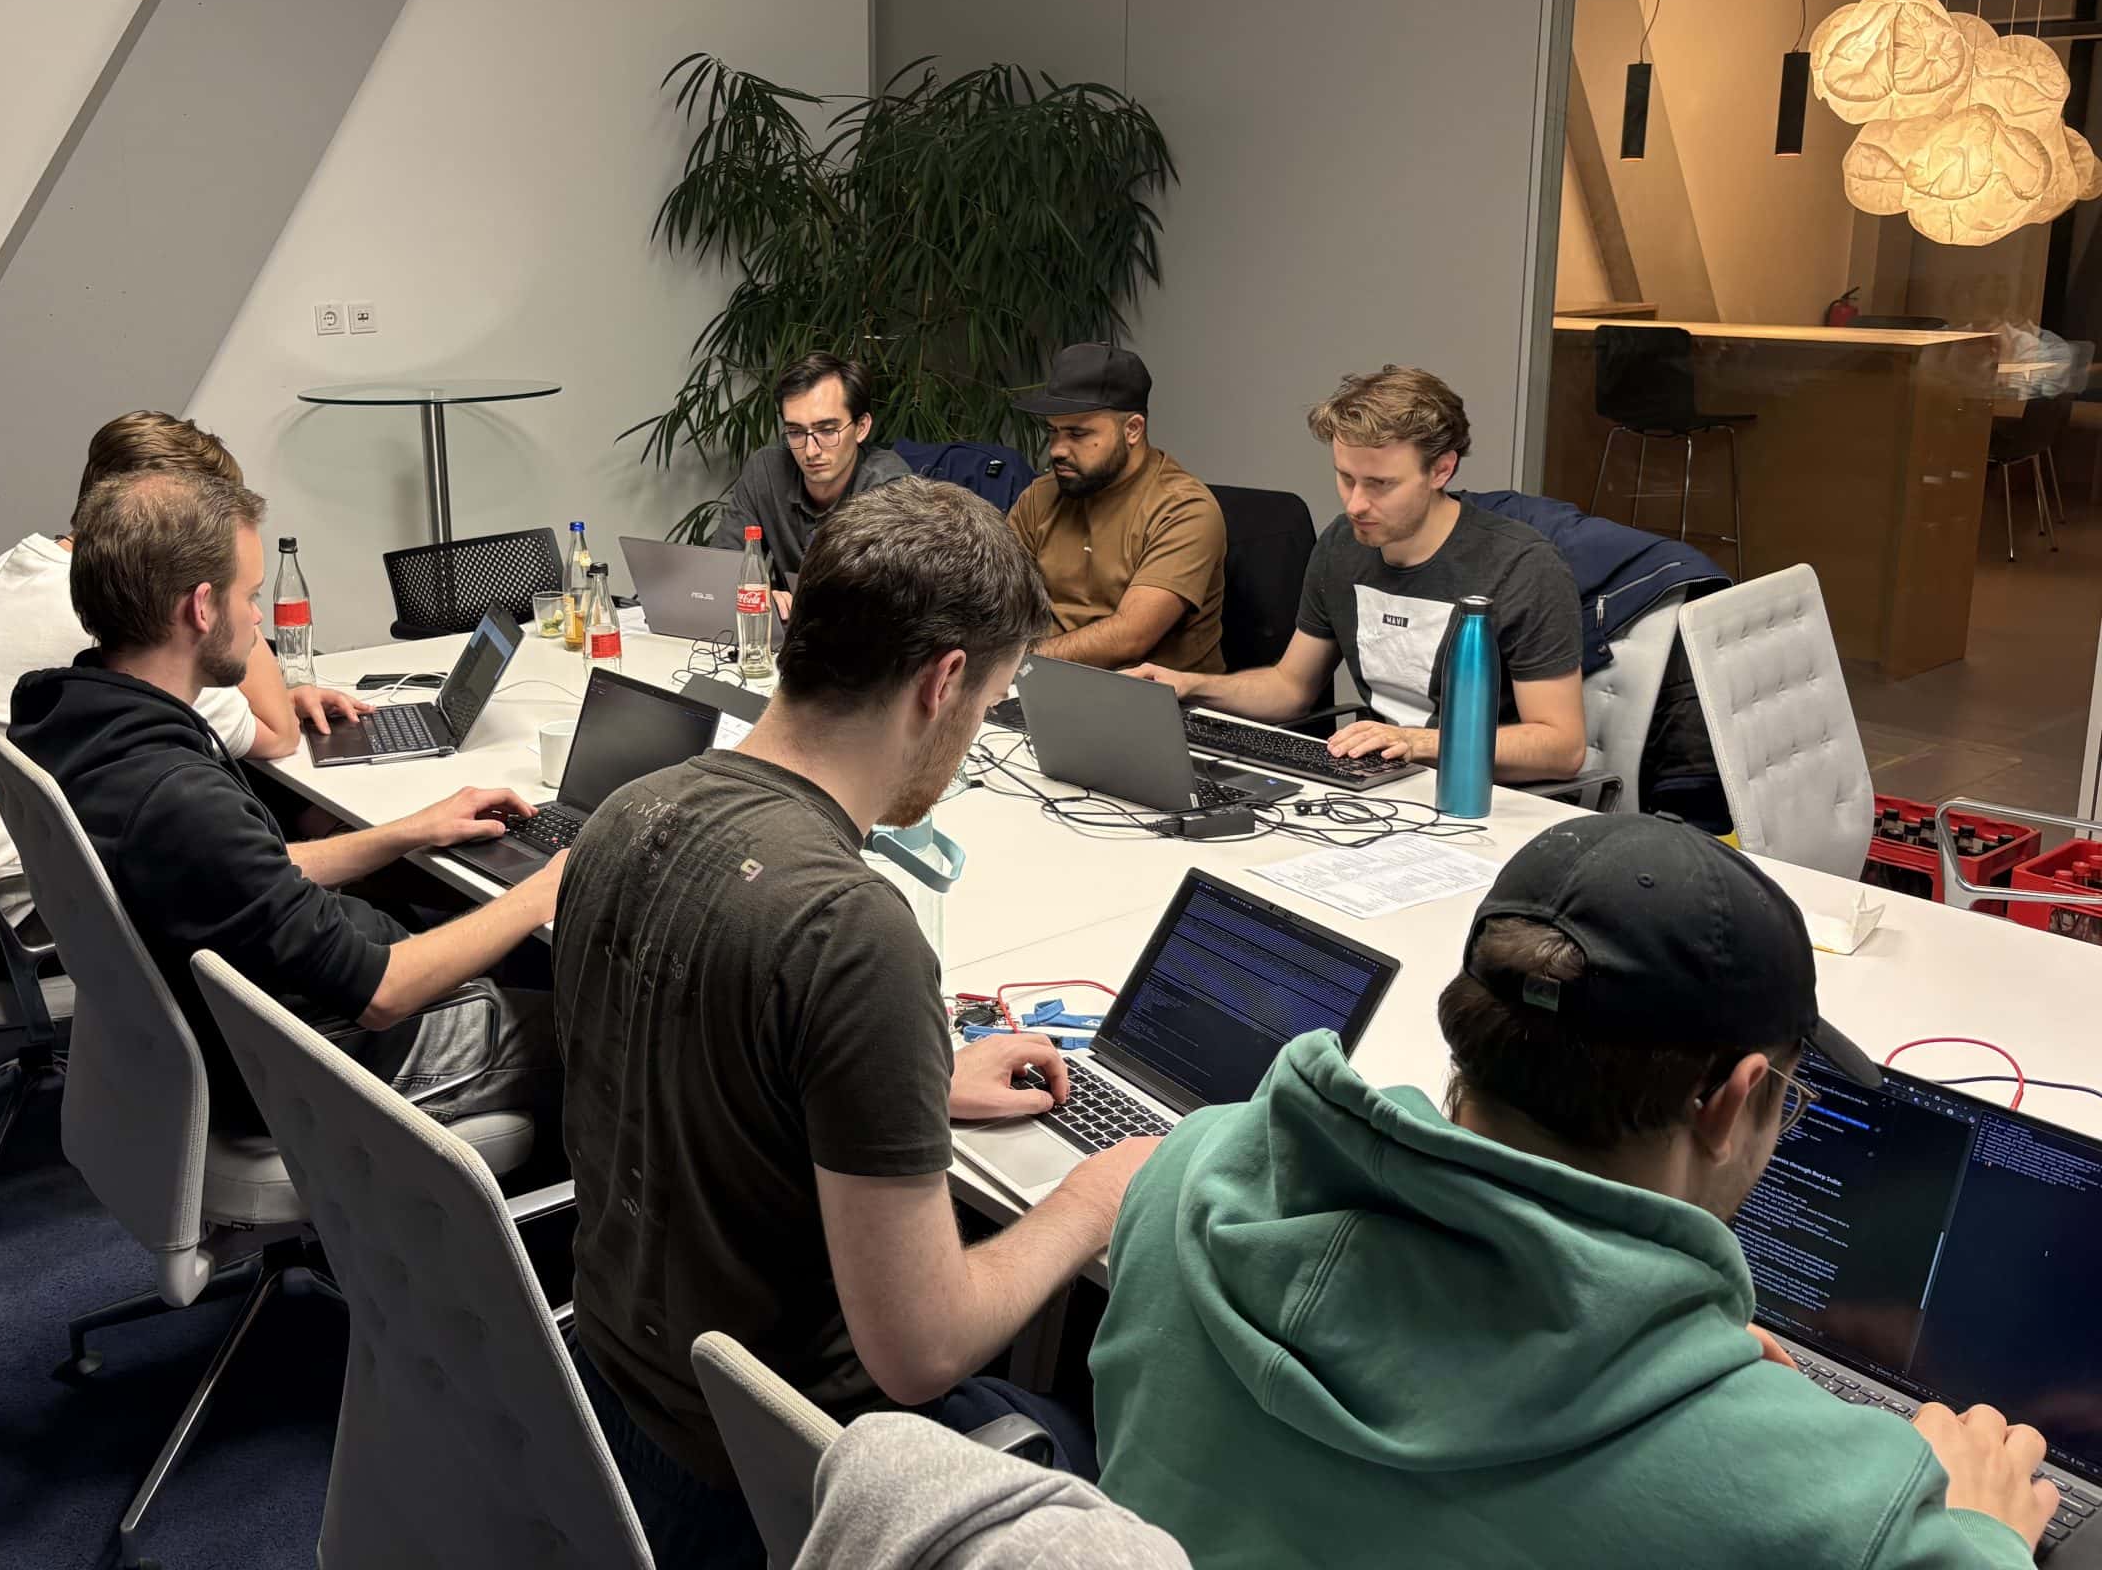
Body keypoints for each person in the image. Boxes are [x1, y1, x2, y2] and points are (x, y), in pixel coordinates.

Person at [1091, 813, 2059, 1570]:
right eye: (1788, 1102)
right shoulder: (1848, 1511)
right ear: (1731, 1102)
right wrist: (1977, 1531)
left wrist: (1676, 1362)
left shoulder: (1193, 1171)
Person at [550, 477, 1158, 1567]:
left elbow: (717, 1074)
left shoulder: (624, 815)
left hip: (621, 1399)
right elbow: (919, 1351)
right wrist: (1093, 1194)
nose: (972, 740)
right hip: (785, 1467)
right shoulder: (848, 930)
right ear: (943, 683)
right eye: (986, 708)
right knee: (1110, 1454)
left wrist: (912, 1083)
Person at [9, 467, 562, 1134]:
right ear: (201, 608)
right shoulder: (174, 795)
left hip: (252, 1030)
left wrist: (409, 831)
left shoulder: (76, 713)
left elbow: (244, 874)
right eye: (250, 595)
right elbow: (383, 993)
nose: (259, 617)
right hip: (327, 1058)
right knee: (624, 1036)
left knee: (502, 944)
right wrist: (546, 890)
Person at [0, 410, 369, 964]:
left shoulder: (29, 565)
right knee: (261, 832)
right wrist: (233, 590)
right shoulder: (115, 620)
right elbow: (276, 736)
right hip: (2, 915)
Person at [1134, 365, 1587, 781]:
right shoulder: (1343, 544)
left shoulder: (1522, 567)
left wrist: (1415, 742)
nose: (1354, 505)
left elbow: (1562, 747)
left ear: (1442, 470)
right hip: (1380, 784)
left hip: (1482, 798)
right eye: (1346, 478)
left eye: (1381, 484)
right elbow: (1290, 687)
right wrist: (1190, 686)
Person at [1006, 342, 1225, 673]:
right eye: (1053, 431)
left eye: (1078, 433)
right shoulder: (1040, 496)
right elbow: (990, 595)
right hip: (1049, 682)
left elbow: (1130, 636)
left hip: (1159, 701)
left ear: (1132, 429)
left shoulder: (1184, 509)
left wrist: (1018, 661)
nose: (1057, 450)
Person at [713, 351, 910, 610]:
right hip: (786, 639)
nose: (811, 451)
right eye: (795, 432)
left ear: (861, 427)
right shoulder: (766, 470)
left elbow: (893, 604)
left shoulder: (890, 489)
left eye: (828, 430)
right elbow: (721, 572)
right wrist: (761, 597)